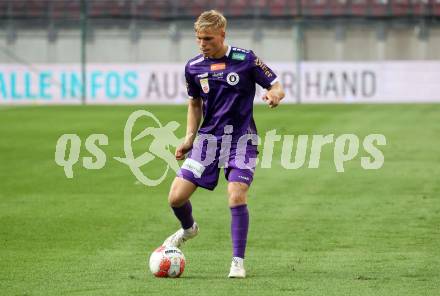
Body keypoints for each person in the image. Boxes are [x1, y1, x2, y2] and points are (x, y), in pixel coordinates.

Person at [162, 9, 285, 278]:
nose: (203, 44)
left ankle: (237, 262)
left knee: (236, 194)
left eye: (208, 38)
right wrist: (189, 138)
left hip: (242, 141)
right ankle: (188, 229)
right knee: (175, 197)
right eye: (199, 39)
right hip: (207, 142)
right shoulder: (194, 66)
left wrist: (274, 96)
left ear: (222, 34)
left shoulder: (246, 59)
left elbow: (275, 84)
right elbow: (194, 103)